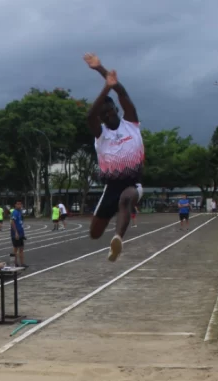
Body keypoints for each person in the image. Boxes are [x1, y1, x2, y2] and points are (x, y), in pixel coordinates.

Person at [84, 52, 144, 262]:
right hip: (111, 187)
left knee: (126, 199)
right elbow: (89, 116)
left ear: (116, 109)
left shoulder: (131, 123)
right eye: (104, 115)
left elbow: (123, 92)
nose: (108, 116)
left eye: (110, 111)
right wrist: (106, 87)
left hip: (133, 183)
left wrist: (101, 70)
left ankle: (118, 238)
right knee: (95, 233)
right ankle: (114, 213)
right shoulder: (101, 135)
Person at [10, 199, 27, 268]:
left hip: (21, 233)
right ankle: (14, 263)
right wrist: (16, 232)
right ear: (15, 205)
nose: (19, 205)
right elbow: (12, 222)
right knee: (15, 249)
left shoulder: (20, 212)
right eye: (18, 204)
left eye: (20, 204)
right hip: (16, 234)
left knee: (21, 249)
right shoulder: (15, 212)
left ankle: (22, 263)